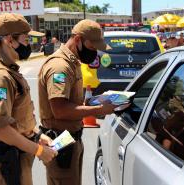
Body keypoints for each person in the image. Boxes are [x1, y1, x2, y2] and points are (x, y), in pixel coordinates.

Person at [38, 19, 130, 185]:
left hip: (70, 141)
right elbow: (60, 110)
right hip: (61, 143)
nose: (94, 52)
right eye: (92, 47)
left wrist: (92, 102)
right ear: (78, 39)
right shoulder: (60, 66)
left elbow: (70, 102)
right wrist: (100, 109)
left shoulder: (72, 63)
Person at [0, 13, 57, 185]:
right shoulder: (0, 77)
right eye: (26, 40)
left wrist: (36, 135)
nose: (29, 45)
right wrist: (39, 150)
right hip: (10, 169)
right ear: (9, 40)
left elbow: (17, 118)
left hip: (18, 161)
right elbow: (1, 129)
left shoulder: (9, 71)